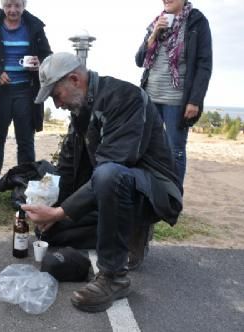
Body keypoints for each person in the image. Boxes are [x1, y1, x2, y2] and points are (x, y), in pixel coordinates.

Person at [22, 52, 183, 313]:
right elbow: (69, 163)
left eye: (55, 95)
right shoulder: (80, 108)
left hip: (152, 190)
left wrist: (62, 211)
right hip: (111, 188)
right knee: (52, 232)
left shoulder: (125, 97)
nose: (57, 104)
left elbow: (115, 164)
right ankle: (124, 231)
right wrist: (50, 204)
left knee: (109, 174)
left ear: (74, 79)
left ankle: (113, 277)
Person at [0, 0, 52, 177]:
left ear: (24, 5)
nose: (12, 10)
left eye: (17, 5)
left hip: (26, 91)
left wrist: (40, 63)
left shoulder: (35, 26)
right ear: (2, 5)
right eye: (8, 5)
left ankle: (24, 181)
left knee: (26, 140)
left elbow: (47, 55)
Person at [135, 0, 212, 185]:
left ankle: (172, 202)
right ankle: (149, 197)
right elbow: (139, 60)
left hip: (177, 101)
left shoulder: (196, 22)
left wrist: (195, 100)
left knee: (175, 151)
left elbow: (204, 64)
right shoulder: (157, 22)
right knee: (145, 147)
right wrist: (154, 34)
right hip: (150, 97)